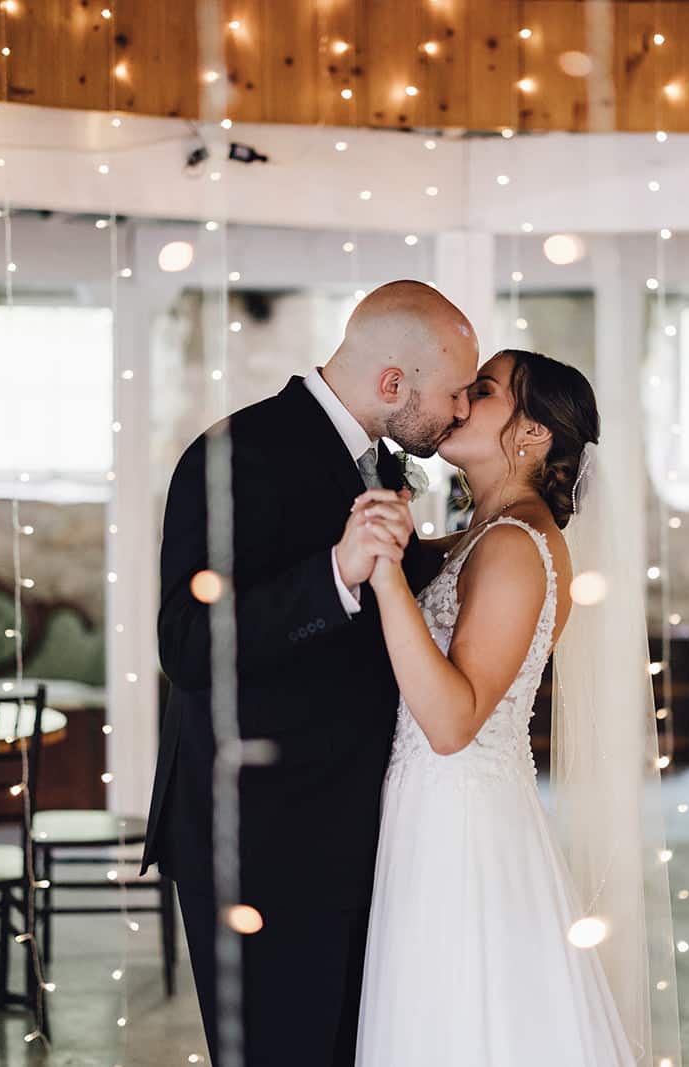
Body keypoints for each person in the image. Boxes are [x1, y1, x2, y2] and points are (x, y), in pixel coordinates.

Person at [141, 281, 479, 1066]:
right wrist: (333, 570)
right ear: (392, 384)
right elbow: (186, 643)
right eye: (455, 394)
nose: (461, 411)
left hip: (354, 827)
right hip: (259, 838)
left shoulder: (378, 464)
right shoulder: (233, 455)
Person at [351, 350, 679, 1065]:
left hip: (460, 823)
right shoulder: (482, 535)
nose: (462, 400)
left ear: (532, 434)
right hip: (435, 811)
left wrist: (383, 578)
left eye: (486, 390)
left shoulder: (515, 547)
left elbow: (452, 721)